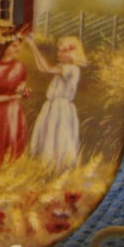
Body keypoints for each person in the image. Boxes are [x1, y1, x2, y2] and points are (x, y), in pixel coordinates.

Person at [25, 35, 87, 173]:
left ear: (72, 53)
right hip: (53, 106)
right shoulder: (63, 67)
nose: (59, 54)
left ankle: (59, 166)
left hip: (61, 108)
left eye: (63, 51)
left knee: (58, 134)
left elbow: (47, 68)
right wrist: (34, 50)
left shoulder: (72, 69)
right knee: (49, 133)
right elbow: (43, 68)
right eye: (59, 50)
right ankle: (48, 165)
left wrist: (34, 47)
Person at [0, 32, 30, 171]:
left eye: (19, 46)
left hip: (14, 110)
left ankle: (12, 168)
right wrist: (12, 97)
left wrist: (24, 91)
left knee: (14, 137)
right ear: (4, 47)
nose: (18, 49)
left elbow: (21, 87)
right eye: (14, 46)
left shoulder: (20, 66)